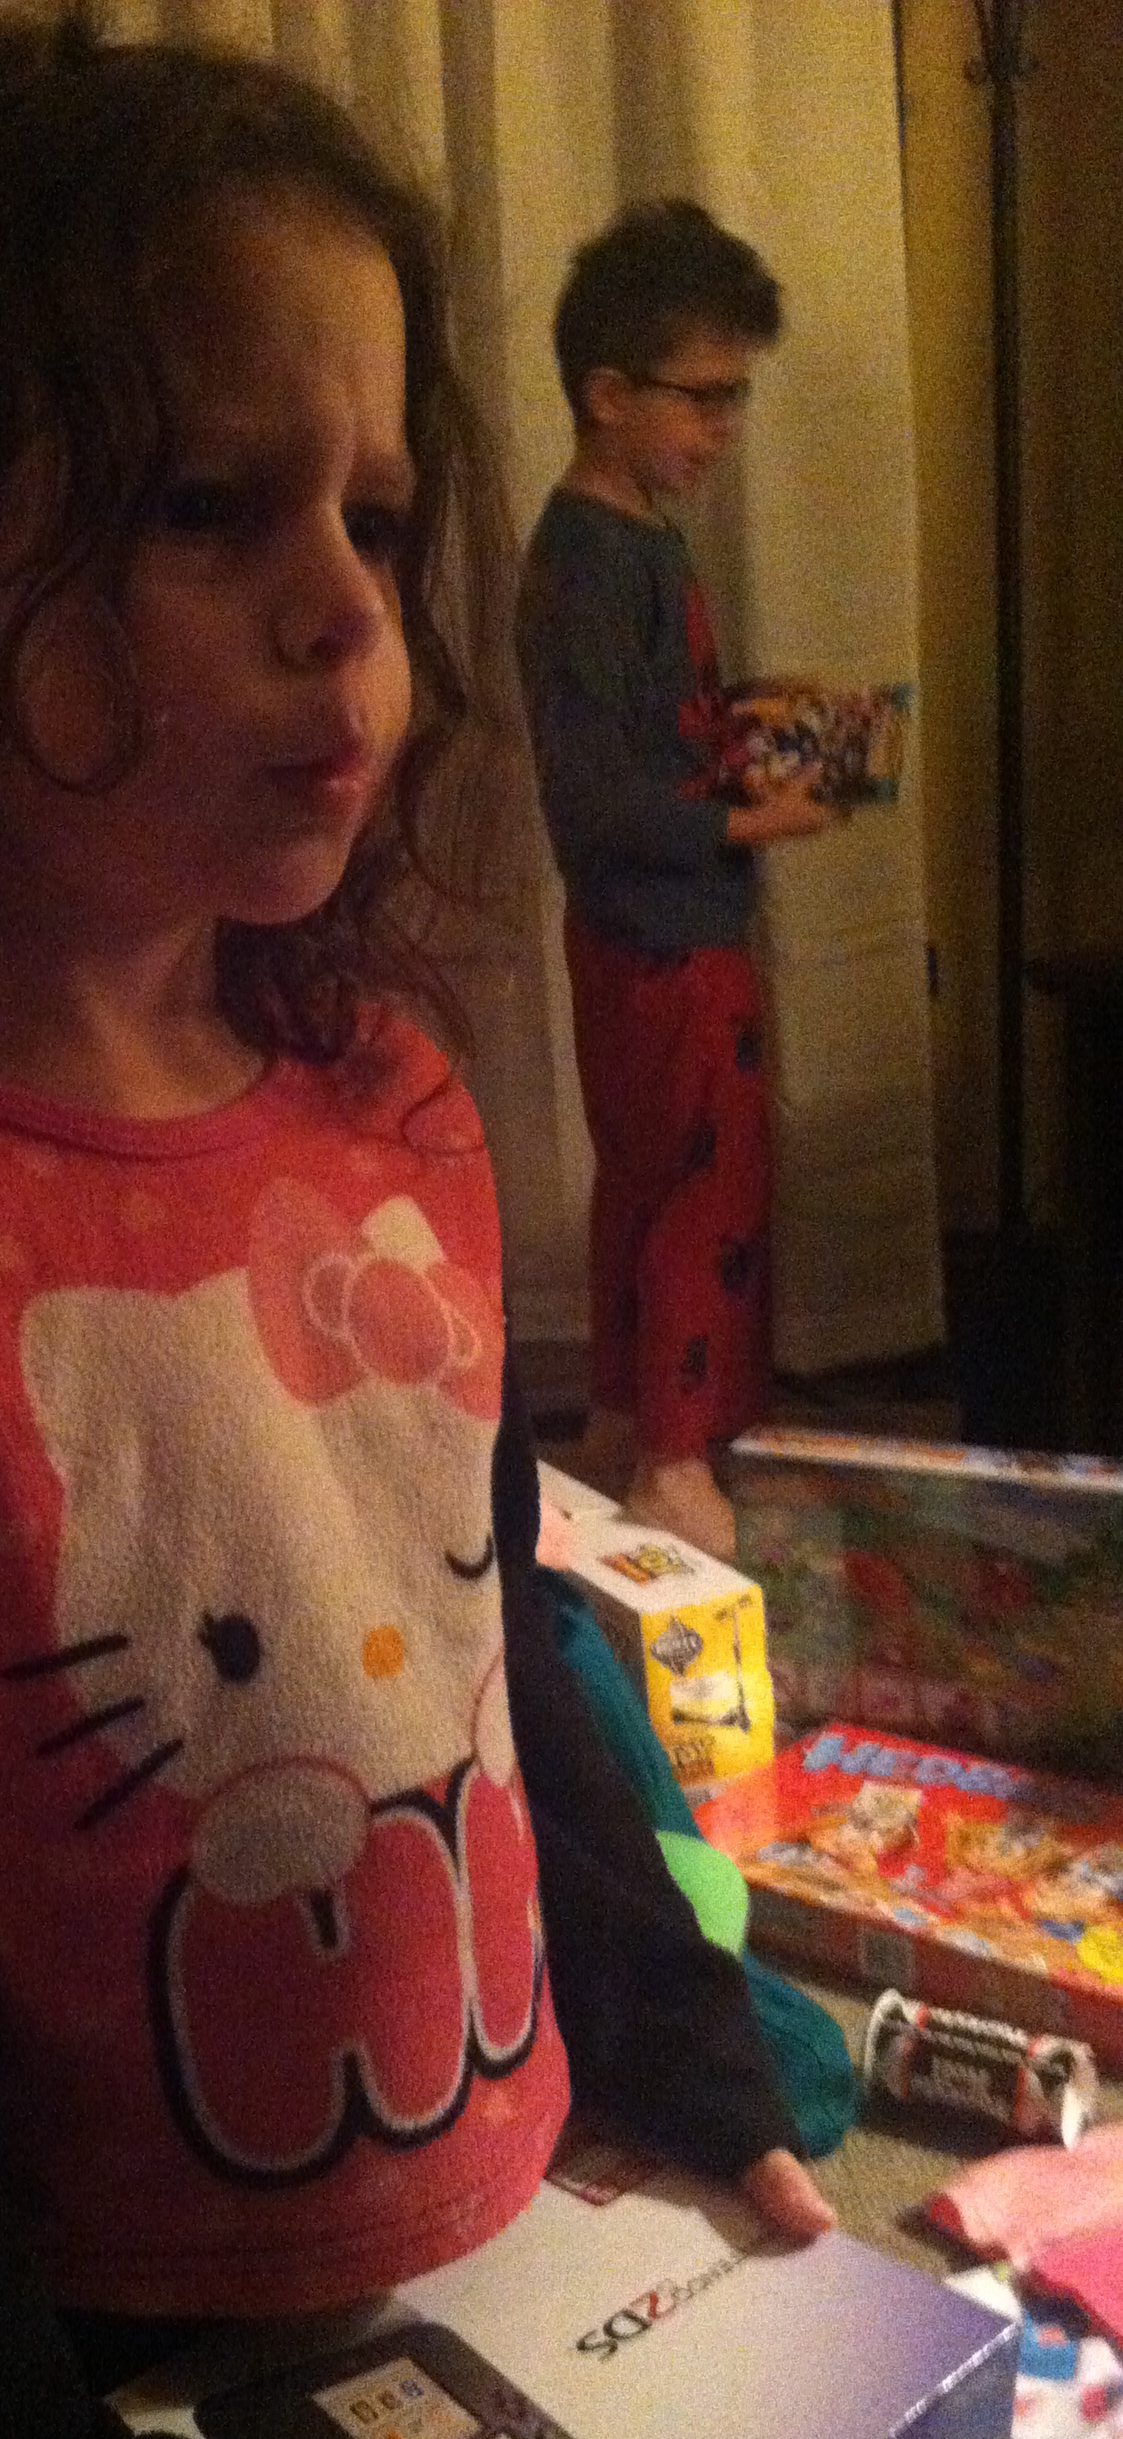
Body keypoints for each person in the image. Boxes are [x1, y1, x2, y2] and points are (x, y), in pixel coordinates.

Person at [0, 24, 833, 2439]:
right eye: (201, 506)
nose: (349, 611)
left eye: (371, 512)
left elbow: (494, 1642)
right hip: (58, 2417)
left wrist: (681, 2040)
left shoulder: (391, 1102)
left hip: (469, 2230)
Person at [514, 199, 845, 1564]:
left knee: (651, 1182)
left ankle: (619, 1421)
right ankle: (671, 1457)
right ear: (609, 395)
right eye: (703, 399)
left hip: (651, 933)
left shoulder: (630, 535)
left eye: (735, 399)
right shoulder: (593, 561)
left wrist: (759, 726)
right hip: (662, 942)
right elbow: (597, 799)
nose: (724, 429)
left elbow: (649, 735)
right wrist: (746, 824)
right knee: (708, 1186)